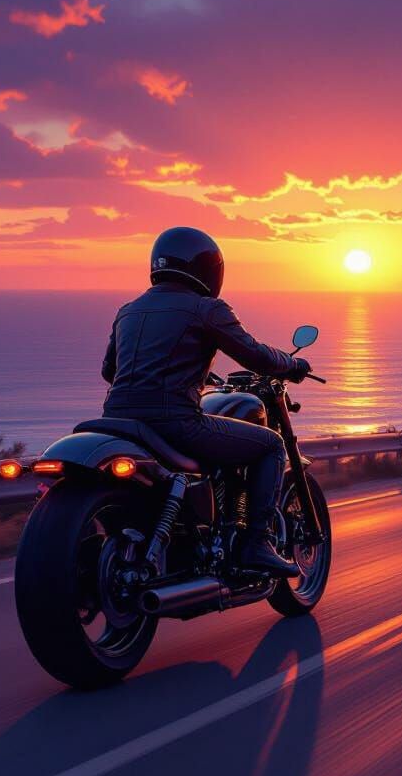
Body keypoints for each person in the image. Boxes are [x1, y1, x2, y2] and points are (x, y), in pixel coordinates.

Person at [100, 227, 311, 577]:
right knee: (271, 446)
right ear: (208, 269)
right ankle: (255, 543)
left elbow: (111, 371)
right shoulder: (206, 308)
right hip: (175, 423)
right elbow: (254, 355)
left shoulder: (129, 310)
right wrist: (293, 364)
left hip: (119, 421)